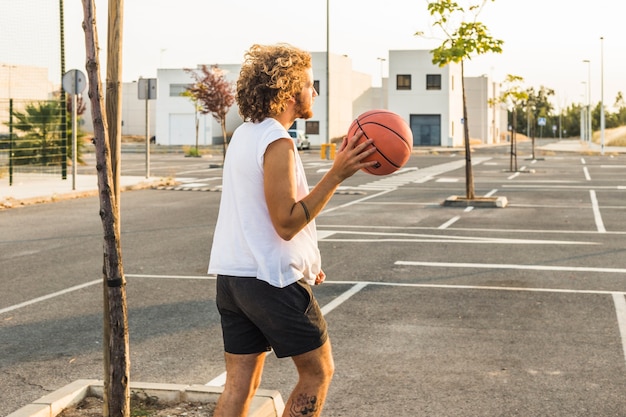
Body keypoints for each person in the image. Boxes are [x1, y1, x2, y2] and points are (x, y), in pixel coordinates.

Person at [208, 43, 376, 417]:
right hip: (269, 282)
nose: (314, 92)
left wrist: (305, 260)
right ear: (287, 91)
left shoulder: (244, 135)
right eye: (309, 85)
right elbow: (285, 222)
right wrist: (337, 174)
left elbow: (256, 216)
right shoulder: (277, 141)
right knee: (318, 372)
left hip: (234, 278)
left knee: (240, 386)